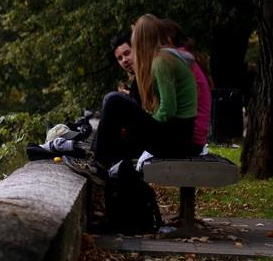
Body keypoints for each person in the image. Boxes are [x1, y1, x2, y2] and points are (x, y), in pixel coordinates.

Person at [69, 14, 202, 183]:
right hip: (177, 137)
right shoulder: (167, 58)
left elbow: (168, 109)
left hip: (175, 140)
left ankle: (98, 165)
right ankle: (103, 172)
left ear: (141, 39)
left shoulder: (161, 62)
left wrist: (142, 126)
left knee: (113, 100)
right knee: (117, 137)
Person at [161, 18, 212, 149]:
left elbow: (168, 107)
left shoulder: (177, 61)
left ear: (168, 40)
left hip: (190, 136)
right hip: (197, 135)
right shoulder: (185, 57)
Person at [110, 31, 141, 104]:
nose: (124, 60)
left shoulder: (153, 70)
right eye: (120, 58)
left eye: (127, 53)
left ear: (136, 50)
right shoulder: (134, 83)